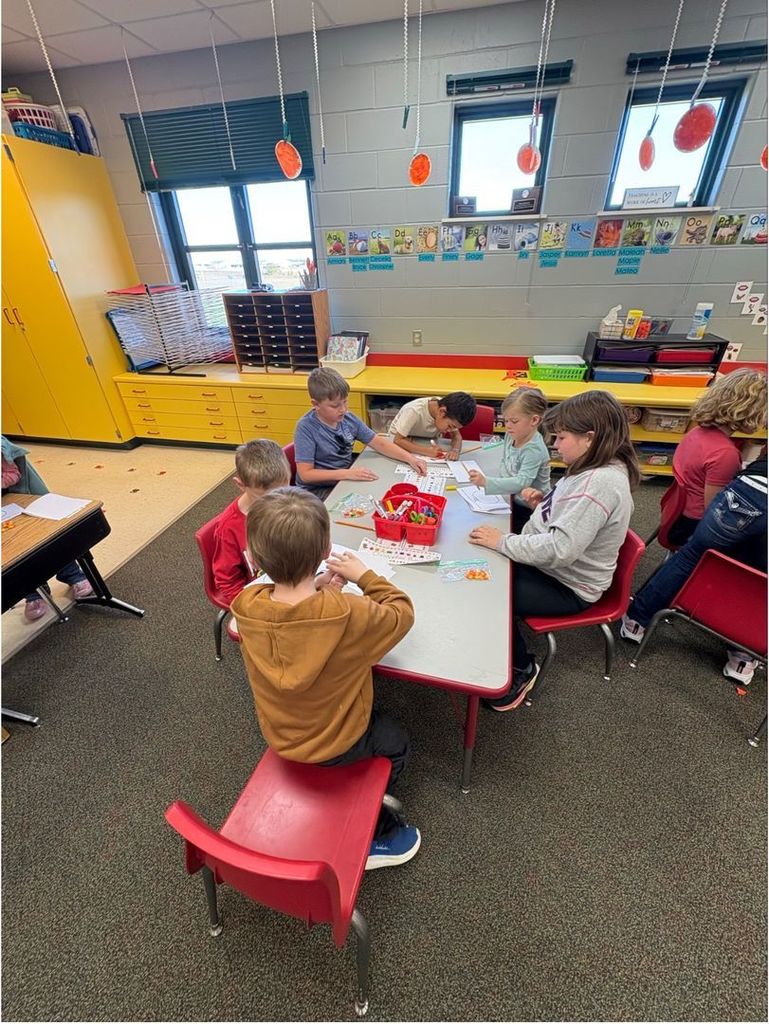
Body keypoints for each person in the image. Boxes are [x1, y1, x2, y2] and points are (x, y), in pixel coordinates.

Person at [232, 487, 421, 869]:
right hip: (339, 742)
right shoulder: (348, 613)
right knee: (396, 740)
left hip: (280, 732)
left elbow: (288, 617)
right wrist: (365, 575)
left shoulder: (246, 607)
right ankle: (376, 828)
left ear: (253, 557)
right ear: (325, 550)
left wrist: (317, 589)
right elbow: (402, 612)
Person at [469, 391, 639, 710]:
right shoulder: (593, 466)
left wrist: (501, 541)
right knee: (486, 568)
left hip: (568, 586)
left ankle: (521, 669)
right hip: (554, 568)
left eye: (561, 437)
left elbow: (560, 549)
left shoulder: (599, 484)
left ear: (590, 438)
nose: (556, 445)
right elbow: (569, 519)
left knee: (488, 593)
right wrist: (543, 505)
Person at [621, 452, 767, 685]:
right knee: (760, 582)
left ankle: (636, 620)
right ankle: (743, 656)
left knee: (691, 554)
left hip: (752, 488)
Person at [667, 368, 767, 545]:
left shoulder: (697, 432)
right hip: (692, 527)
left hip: (673, 513)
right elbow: (715, 511)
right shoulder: (725, 454)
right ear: (753, 410)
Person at [294, 367, 427, 499]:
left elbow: (379, 443)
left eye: (345, 402)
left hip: (342, 479)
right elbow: (306, 474)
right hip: (316, 491)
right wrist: (346, 474)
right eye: (335, 406)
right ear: (315, 404)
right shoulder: (306, 427)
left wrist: (411, 459)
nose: (343, 410)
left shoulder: (348, 419)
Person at [1, 435, 94, 621]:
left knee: (47, 538)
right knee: (12, 549)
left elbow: (13, 473)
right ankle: (34, 592)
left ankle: (72, 575)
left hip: (20, 498)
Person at [212, 439, 291, 607]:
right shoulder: (229, 527)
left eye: (284, 490)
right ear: (241, 485)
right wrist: (249, 609)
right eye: (265, 496)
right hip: (261, 594)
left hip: (292, 578)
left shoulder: (289, 500)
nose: (278, 500)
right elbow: (227, 581)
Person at [467, 387, 551, 532]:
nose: (508, 426)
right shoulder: (511, 434)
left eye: (514, 421)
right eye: (506, 420)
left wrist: (487, 482)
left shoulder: (533, 450)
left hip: (529, 508)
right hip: (509, 498)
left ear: (534, 420)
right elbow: (506, 463)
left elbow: (522, 482)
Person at [387, 392, 477, 461]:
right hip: (399, 440)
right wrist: (426, 451)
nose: (450, 431)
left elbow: (456, 437)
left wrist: (455, 450)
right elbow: (398, 440)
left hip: (425, 441)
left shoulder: (450, 410)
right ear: (442, 412)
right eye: (450, 426)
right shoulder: (414, 411)